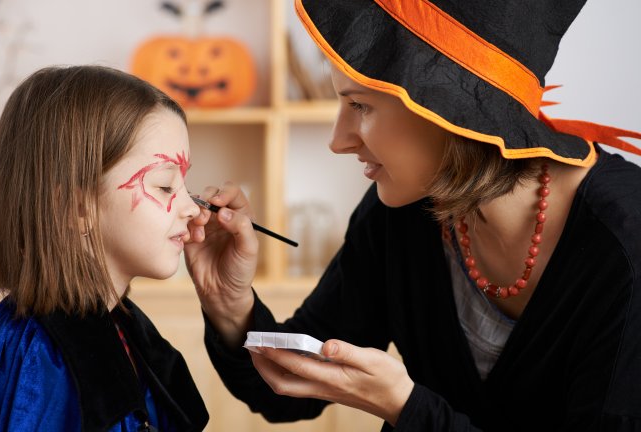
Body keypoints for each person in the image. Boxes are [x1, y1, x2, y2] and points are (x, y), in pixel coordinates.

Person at [184, 0, 641, 430]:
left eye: (360, 105)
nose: (339, 140)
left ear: (448, 110)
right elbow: (287, 392)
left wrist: (405, 407)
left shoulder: (626, 245)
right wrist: (228, 301)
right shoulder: (404, 209)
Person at [0, 65, 208, 432]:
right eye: (166, 186)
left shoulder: (122, 328)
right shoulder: (40, 362)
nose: (192, 208)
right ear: (78, 209)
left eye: (185, 184)